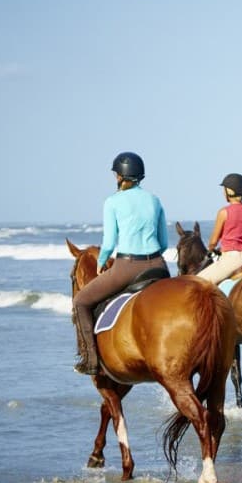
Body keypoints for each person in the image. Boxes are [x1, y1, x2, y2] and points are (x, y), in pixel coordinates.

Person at [72, 152, 169, 375]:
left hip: (127, 267)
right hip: (159, 266)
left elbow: (108, 243)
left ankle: (91, 361)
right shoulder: (154, 200)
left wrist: (102, 262)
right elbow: (163, 242)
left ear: (120, 177)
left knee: (81, 301)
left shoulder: (112, 201)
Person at [196, 173, 242, 285]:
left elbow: (213, 242)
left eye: (224, 189)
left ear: (229, 191)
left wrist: (212, 249)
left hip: (231, 261)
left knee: (196, 283)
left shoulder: (224, 212)